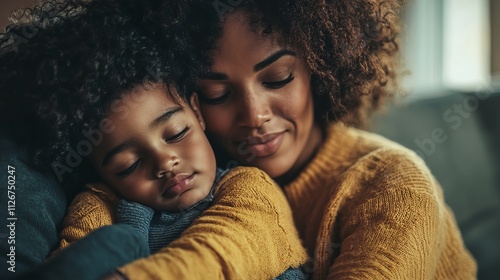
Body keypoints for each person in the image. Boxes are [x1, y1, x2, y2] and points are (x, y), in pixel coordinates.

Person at [113, 0, 477, 278]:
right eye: (216, 94)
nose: (254, 115)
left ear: (320, 66)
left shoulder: (394, 188)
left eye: (278, 78)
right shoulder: (188, 184)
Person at [0, 1, 307, 279]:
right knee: (117, 242)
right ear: (103, 175)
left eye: (176, 133)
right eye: (128, 165)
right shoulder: (100, 206)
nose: (164, 162)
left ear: (197, 113)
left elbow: (229, 245)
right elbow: (73, 256)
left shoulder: (250, 188)